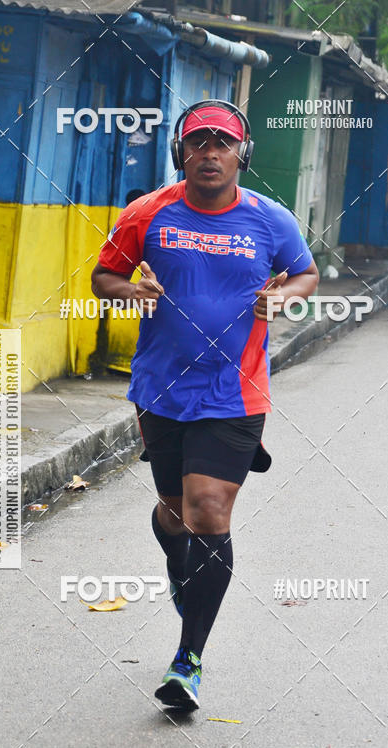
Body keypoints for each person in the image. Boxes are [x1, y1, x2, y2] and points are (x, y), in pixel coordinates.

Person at [91, 99, 319, 711]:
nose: (209, 153)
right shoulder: (148, 212)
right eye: (199, 143)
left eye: (222, 143)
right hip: (161, 388)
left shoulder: (270, 219)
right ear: (181, 152)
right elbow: (103, 276)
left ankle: (188, 659)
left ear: (241, 153)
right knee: (175, 510)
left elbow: (305, 273)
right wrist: (130, 288)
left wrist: (285, 298)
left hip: (235, 391)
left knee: (210, 508)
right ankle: (179, 562)